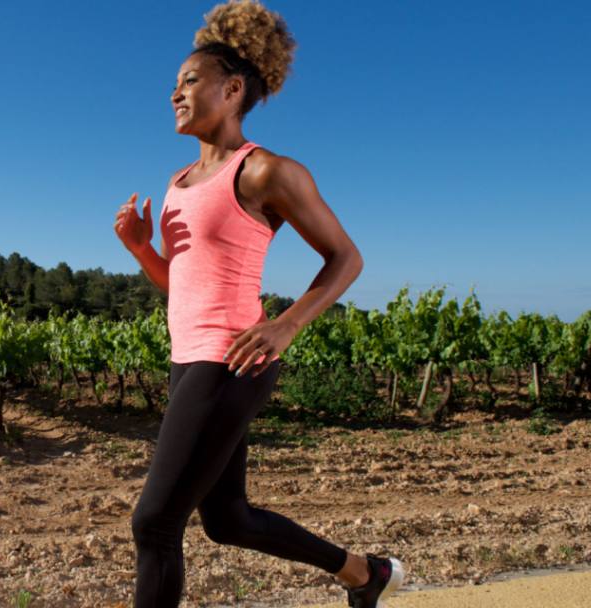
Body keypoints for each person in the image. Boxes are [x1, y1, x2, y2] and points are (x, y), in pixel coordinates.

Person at [112, 1, 405, 606]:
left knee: (155, 523)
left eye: (190, 80)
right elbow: (186, 290)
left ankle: (365, 574)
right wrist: (143, 250)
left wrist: (285, 326)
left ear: (233, 89)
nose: (176, 93)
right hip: (187, 358)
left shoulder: (267, 171)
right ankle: (364, 573)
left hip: (232, 360)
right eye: (174, 84)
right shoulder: (176, 183)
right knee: (228, 520)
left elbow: (346, 258)